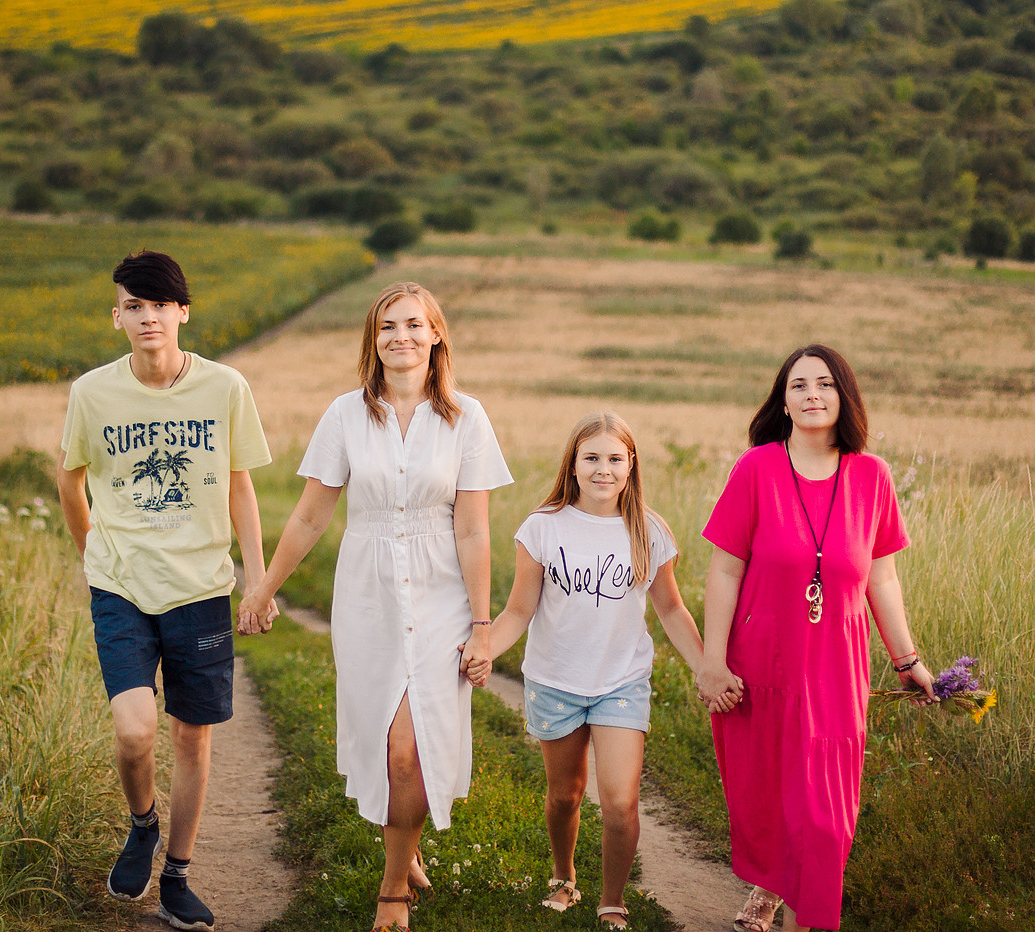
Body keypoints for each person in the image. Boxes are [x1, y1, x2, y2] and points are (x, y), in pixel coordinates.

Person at [237, 281, 512, 931]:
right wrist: (263, 587)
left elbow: (474, 531)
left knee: (410, 749)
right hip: (368, 596)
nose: (401, 336)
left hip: (441, 593)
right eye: (388, 326)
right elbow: (310, 516)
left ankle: (392, 890)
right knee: (383, 745)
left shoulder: (467, 418)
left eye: (414, 324)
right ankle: (404, 844)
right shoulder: (345, 415)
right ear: (373, 339)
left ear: (437, 335)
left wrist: (482, 625)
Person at [57, 250, 273, 931]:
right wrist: (94, 553)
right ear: (116, 317)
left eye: (160, 305)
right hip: (120, 586)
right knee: (134, 731)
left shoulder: (225, 387)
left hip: (200, 589)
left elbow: (240, 485)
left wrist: (258, 579)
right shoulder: (92, 393)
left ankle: (177, 876)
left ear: (183, 312)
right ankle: (142, 823)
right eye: (135, 306)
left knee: (191, 739)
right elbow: (70, 481)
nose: (148, 317)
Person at [695, 344, 937, 932]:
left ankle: (807, 916)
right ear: (783, 401)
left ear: (844, 396)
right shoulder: (756, 469)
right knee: (772, 801)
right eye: (799, 385)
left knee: (827, 819)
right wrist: (712, 662)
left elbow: (881, 577)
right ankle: (772, 887)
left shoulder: (872, 476)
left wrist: (906, 659)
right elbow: (725, 570)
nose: (812, 395)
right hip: (762, 665)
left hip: (837, 672)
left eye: (825, 384)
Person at [479, 411, 735, 930]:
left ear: (631, 464)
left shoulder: (648, 531)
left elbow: (671, 609)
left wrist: (707, 666)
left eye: (615, 458)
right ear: (572, 464)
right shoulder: (542, 528)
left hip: (621, 682)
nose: (604, 469)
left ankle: (612, 901)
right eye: (592, 458)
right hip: (555, 681)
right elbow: (519, 611)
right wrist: (484, 648)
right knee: (565, 795)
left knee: (620, 802)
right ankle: (563, 875)